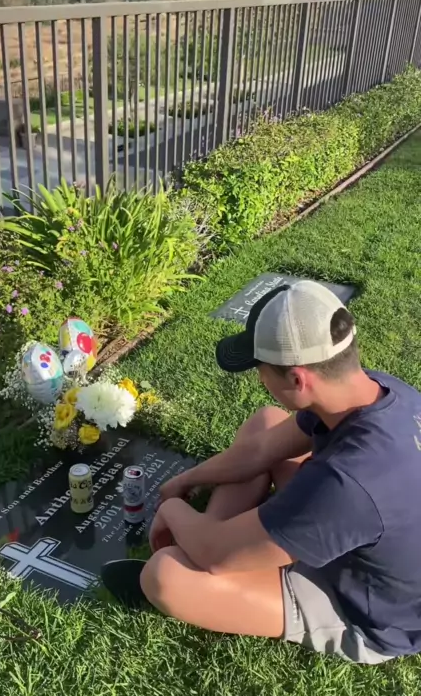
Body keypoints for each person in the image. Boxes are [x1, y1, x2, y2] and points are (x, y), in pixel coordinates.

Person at [139, 280, 421, 663]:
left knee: (166, 576)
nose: (260, 379)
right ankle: (219, 537)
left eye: (262, 369)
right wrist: (186, 480)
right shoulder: (382, 390)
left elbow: (215, 554)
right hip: (360, 534)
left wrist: (172, 510)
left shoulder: (347, 483)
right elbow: (260, 450)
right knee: (267, 423)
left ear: (297, 379)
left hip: (372, 614)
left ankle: (211, 543)